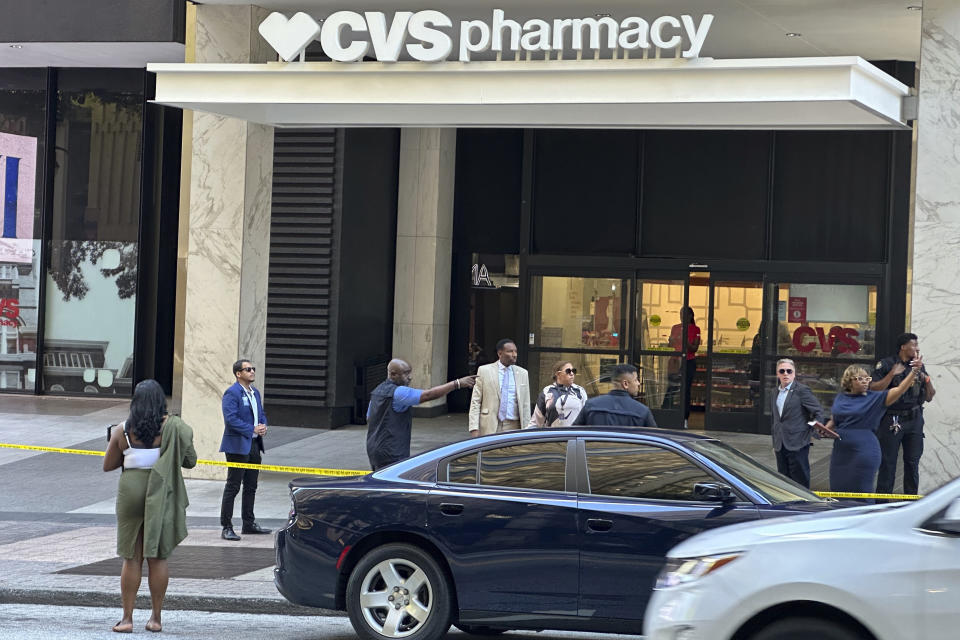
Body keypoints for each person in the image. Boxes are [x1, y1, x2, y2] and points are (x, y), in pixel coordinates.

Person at [103, 379, 196, 634]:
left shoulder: (122, 430)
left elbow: (108, 465)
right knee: (157, 556)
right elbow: (190, 461)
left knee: (132, 557)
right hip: (161, 493)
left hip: (130, 490)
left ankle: (126, 619)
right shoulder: (174, 427)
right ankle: (155, 618)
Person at [823, 363, 919, 498]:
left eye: (867, 379)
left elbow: (900, 390)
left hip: (864, 451)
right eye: (860, 379)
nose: (865, 382)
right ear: (849, 381)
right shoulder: (841, 397)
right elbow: (834, 420)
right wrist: (825, 429)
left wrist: (914, 371)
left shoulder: (875, 398)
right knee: (838, 491)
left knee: (861, 491)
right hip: (841, 452)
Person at [366, 359, 476, 470]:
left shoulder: (377, 391)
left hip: (375, 449)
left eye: (409, 372)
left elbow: (369, 417)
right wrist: (457, 383)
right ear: (393, 374)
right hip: (391, 451)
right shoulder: (399, 392)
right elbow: (428, 395)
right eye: (405, 373)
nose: (410, 377)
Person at [871, 332, 936, 495]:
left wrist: (925, 378)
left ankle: (910, 502)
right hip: (892, 419)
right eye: (913, 345)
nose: (917, 348)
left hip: (914, 419)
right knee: (888, 463)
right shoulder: (886, 364)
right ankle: (882, 505)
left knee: (912, 463)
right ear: (903, 347)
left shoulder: (918, 366)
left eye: (917, 344)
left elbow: (929, 397)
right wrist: (891, 374)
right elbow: (874, 388)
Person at [220, 359, 270, 541]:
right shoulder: (232, 393)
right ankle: (226, 526)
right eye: (247, 369)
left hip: (254, 445)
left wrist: (263, 425)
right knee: (233, 486)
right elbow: (230, 419)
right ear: (238, 374)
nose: (252, 371)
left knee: (251, 486)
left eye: (253, 369)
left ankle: (248, 523)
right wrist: (252, 429)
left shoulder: (255, 393)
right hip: (237, 446)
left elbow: (261, 413)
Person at [769, 358, 826, 488]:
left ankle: (803, 506)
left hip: (798, 443)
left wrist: (813, 432)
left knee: (800, 480)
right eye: (782, 371)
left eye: (789, 371)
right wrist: (775, 442)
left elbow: (818, 411)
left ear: (794, 374)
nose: (785, 374)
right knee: (784, 480)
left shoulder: (802, 391)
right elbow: (775, 419)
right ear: (777, 374)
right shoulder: (774, 392)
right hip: (780, 443)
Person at [468, 338, 532, 437]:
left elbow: (526, 404)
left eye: (515, 351)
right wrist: (474, 428)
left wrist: (527, 429)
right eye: (510, 351)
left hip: (515, 426)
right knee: (490, 452)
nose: (514, 355)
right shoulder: (484, 371)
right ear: (500, 353)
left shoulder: (523, 373)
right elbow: (475, 401)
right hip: (490, 425)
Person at [575, 363, 657, 426]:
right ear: (625, 384)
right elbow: (655, 441)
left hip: (595, 448)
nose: (638, 383)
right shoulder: (642, 411)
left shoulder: (591, 406)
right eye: (635, 380)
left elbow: (574, 434)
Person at [665, 307, 701, 427]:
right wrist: (671, 340)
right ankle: (666, 412)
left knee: (685, 390)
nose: (682, 316)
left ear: (690, 315)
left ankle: (685, 417)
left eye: (684, 314)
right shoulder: (675, 328)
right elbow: (670, 345)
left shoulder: (696, 329)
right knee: (671, 387)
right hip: (675, 360)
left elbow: (694, 348)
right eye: (680, 314)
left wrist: (685, 339)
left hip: (689, 361)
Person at [528, 360, 588, 427]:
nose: (572, 373)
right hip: (554, 435)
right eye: (568, 371)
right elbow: (536, 421)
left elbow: (586, 416)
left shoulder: (579, 391)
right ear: (558, 374)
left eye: (573, 371)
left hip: (575, 435)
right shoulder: (547, 392)